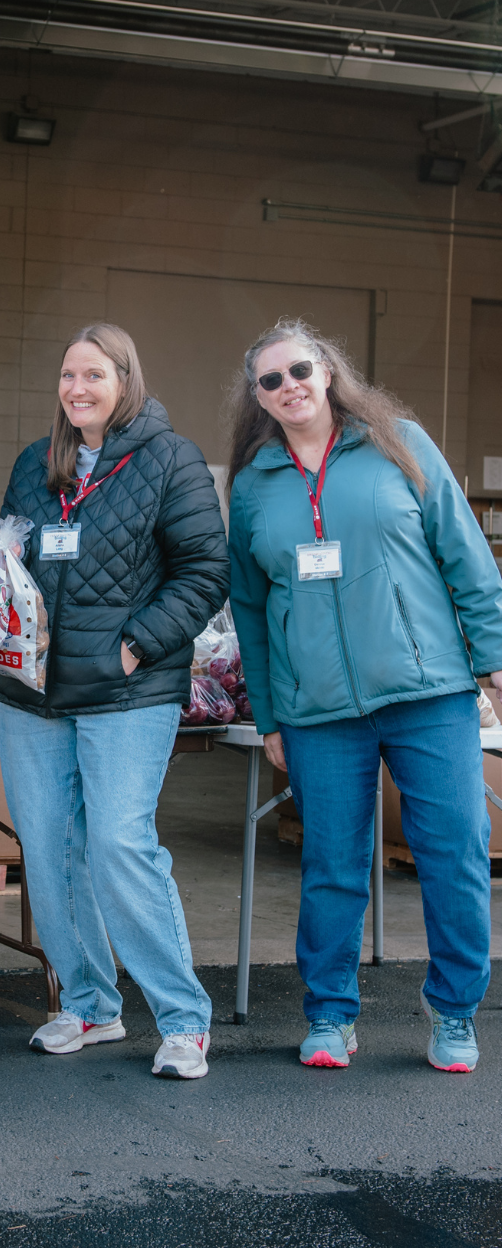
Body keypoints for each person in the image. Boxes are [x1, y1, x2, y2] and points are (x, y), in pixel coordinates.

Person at [227, 318, 502, 1073]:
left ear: (328, 370)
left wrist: (495, 658)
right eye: (270, 380)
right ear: (257, 397)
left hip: (428, 691)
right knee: (332, 864)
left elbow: (465, 555)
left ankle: (452, 1011)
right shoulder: (253, 487)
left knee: (454, 850)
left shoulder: (398, 442)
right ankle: (329, 1013)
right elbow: (248, 611)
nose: (289, 387)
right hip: (317, 710)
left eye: (299, 370)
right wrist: (269, 712)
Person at [0, 324, 229, 1079]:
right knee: (48, 844)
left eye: (93, 374)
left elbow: (203, 571)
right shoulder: (38, 462)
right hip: (34, 692)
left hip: (127, 689)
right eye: (67, 375)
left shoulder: (169, 458)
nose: (77, 388)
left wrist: (130, 646)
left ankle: (183, 1020)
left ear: (124, 379)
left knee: (119, 844)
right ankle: (90, 1004)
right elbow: (10, 561)